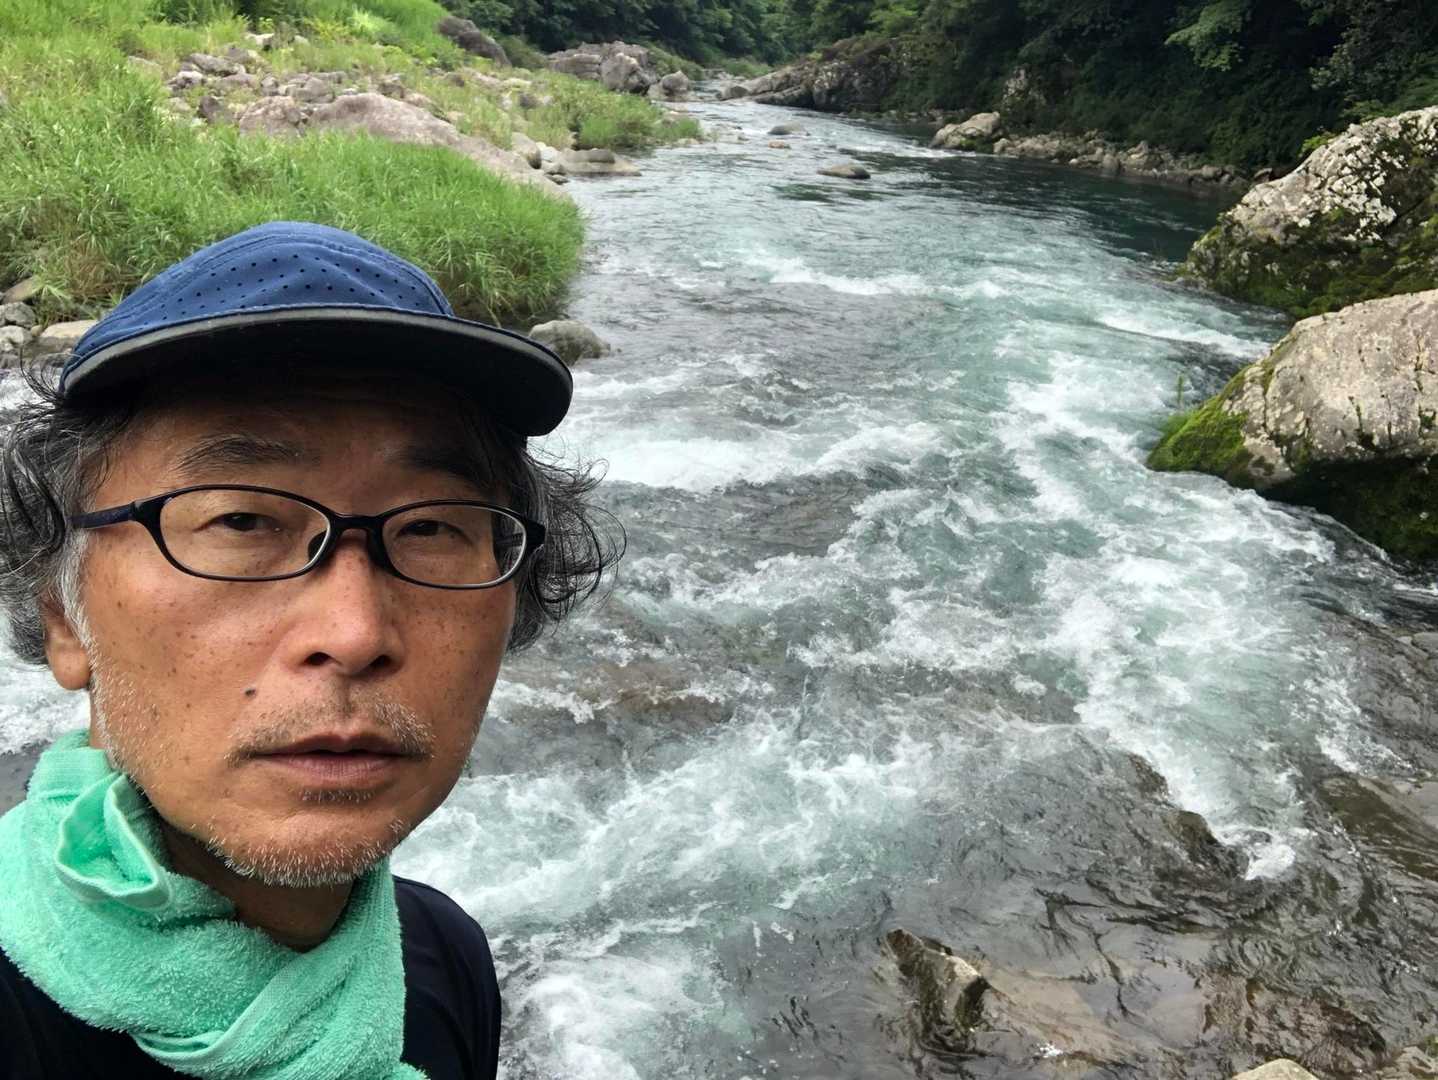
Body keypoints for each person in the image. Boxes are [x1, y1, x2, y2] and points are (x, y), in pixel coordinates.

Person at [0, 221, 618, 1079]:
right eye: (241, 520)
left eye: (431, 528)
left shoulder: (443, 960)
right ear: (65, 619)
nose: (354, 634)